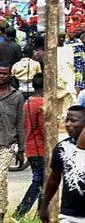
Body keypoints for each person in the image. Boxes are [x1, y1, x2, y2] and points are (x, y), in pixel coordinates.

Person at [39, 105, 85, 223]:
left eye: (73, 121)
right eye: (66, 120)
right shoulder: (62, 147)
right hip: (69, 215)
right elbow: (54, 179)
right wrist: (44, 205)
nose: (68, 124)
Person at [13, 73, 44, 219]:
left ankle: (40, 214)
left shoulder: (28, 102)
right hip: (41, 148)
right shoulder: (42, 104)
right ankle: (20, 212)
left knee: (42, 182)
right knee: (39, 181)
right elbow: (44, 128)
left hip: (31, 146)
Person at [0, 62, 25, 221]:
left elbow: (20, 124)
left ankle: (1, 211)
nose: (1, 76)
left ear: (10, 75)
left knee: (0, 177)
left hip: (6, 144)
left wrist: (21, 149)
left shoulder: (16, 96)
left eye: (4, 73)